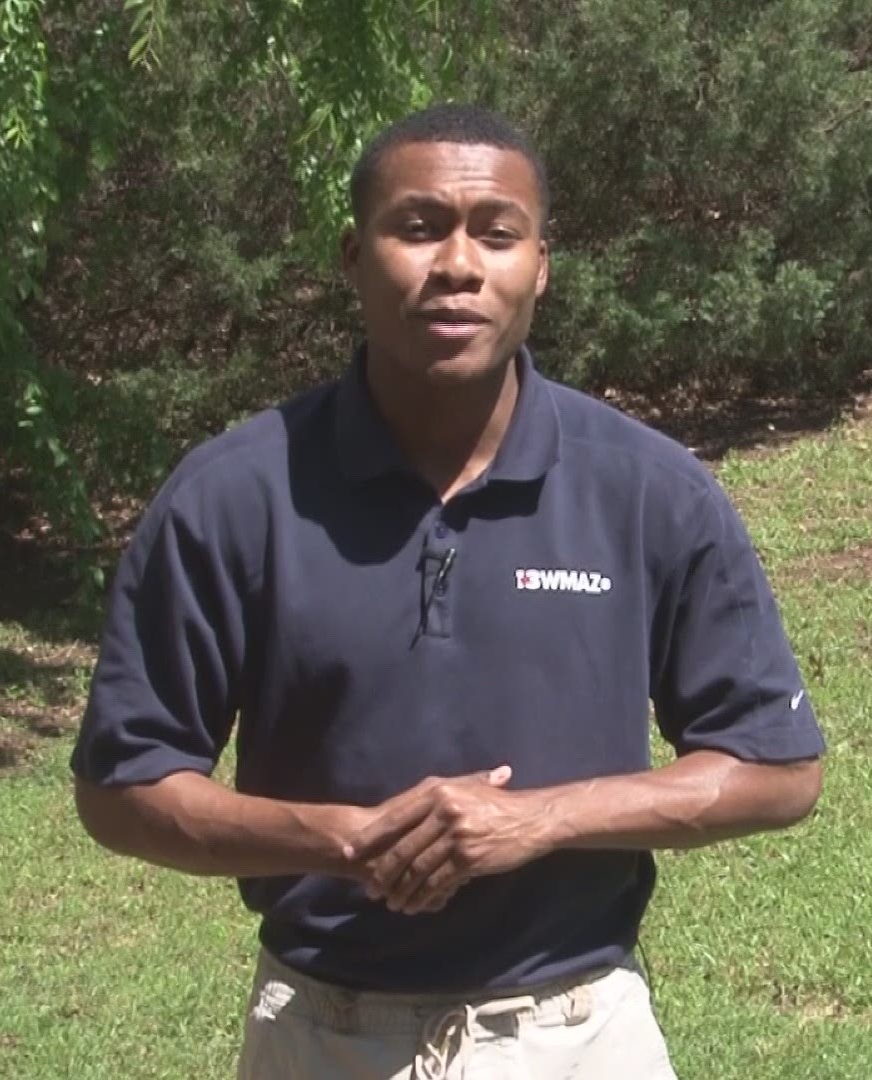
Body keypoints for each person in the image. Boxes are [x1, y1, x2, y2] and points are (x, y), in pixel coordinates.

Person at [71, 103, 825, 1080]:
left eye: (496, 234)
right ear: (353, 256)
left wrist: (539, 820)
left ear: (541, 267)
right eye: (419, 227)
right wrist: (343, 840)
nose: (459, 264)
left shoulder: (647, 491)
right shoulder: (236, 496)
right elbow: (121, 789)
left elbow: (777, 768)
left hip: (578, 1035)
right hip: (320, 1032)